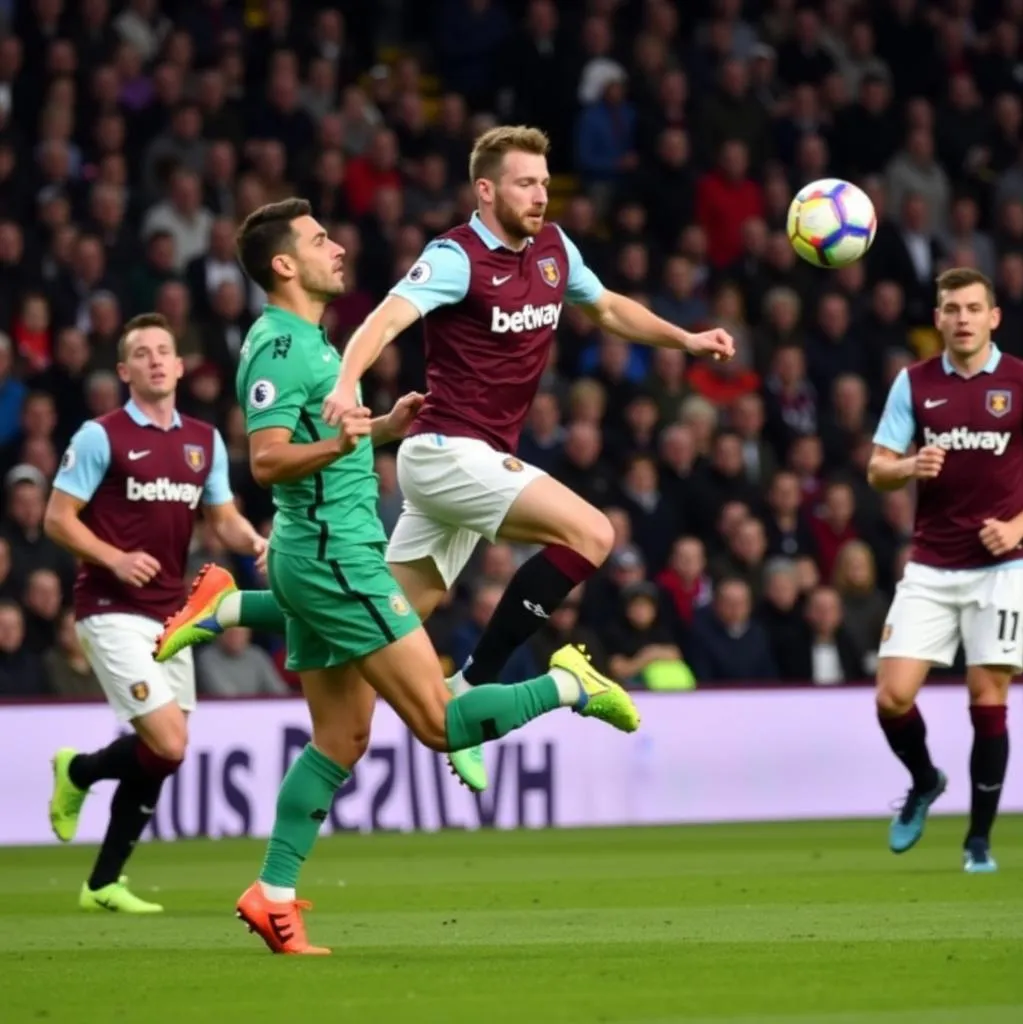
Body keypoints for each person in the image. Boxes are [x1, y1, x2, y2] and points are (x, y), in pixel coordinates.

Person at [156, 125, 730, 793]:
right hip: (443, 452)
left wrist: (683, 339)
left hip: (478, 462)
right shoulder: (454, 257)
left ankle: (227, 607)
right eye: (525, 183)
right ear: (485, 191)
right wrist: (346, 384)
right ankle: (486, 679)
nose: (540, 195)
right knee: (593, 533)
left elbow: (605, 308)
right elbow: (386, 318)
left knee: (381, 610)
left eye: (545, 182)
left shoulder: (553, 249)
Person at [219, 198, 639, 955]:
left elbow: (321, 442)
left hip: (325, 554)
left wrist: (374, 431)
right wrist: (346, 437)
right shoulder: (281, 349)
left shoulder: (310, 343)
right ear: (284, 265)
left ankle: (272, 893)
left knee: (342, 738)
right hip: (333, 558)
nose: (338, 247)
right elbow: (269, 459)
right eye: (320, 240)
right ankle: (571, 684)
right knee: (443, 723)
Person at [43, 313, 266, 912]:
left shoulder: (204, 440)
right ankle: (81, 774)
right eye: (142, 354)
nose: (157, 361)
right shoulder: (101, 436)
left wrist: (255, 543)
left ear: (181, 363)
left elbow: (222, 518)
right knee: (166, 743)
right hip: (110, 607)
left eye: (165, 350)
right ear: (124, 370)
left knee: (162, 752)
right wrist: (113, 558)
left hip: (174, 614)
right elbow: (57, 519)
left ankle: (101, 882)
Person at [868, 267, 1023, 873]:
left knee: (987, 700)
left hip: (1002, 567)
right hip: (931, 564)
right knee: (891, 697)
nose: (962, 318)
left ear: (993, 318)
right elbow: (877, 467)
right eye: (951, 309)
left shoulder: (1017, 381)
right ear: (937, 319)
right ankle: (924, 779)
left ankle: (978, 840)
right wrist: (909, 466)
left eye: (973, 308)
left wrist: (1017, 527)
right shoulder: (914, 383)